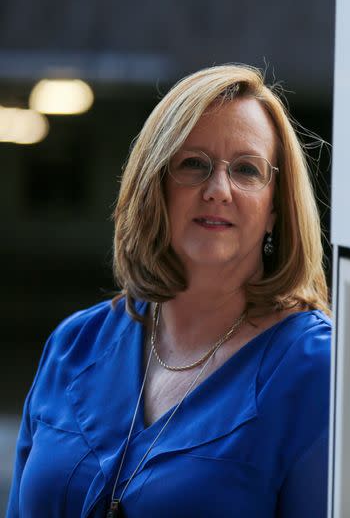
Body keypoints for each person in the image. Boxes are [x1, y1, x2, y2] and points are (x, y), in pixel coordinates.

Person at [6, 64, 331, 517]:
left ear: (275, 208)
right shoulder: (74, 344)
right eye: (193, 164)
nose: (218, 189)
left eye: (246, 170)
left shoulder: (313, 369)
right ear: (154, 185)